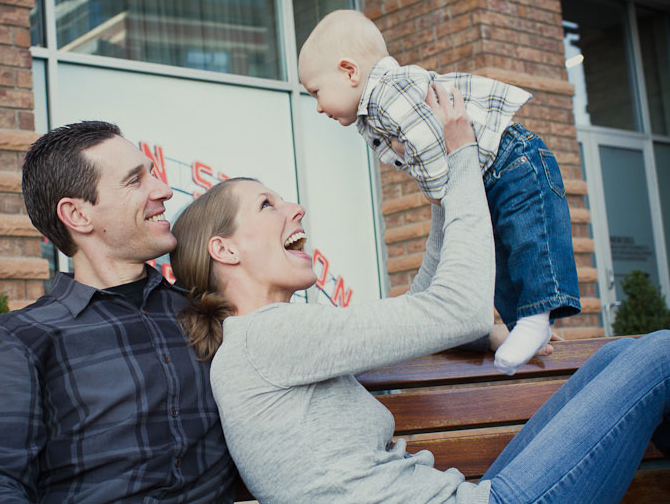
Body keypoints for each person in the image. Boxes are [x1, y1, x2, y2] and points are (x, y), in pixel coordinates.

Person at [169, 84, 670, 503]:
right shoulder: (267, 338)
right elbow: (458, 309)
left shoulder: (263, 343)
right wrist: (461, 156)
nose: (295, 209)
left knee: (620, 355)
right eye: (267, 205)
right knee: (661, 354)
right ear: (225, 250)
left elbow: (427, 305)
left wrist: (440, 186)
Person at [0, 121, 235, 502]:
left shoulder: (203, 311)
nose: (164, 190)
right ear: (78, 215)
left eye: (152, 174)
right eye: (136, 181)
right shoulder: (23, 337)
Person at [297, 9, 580, 375]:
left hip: (511, 158)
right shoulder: (370, 113)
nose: (318, 107)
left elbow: (425, 141)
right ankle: (522, 325)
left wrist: (437, 191)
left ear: (350, 72)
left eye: (317, 92)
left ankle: (537, 315)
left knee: (531, 238)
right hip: (487, 174)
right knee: (496, 251)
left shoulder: (387, 91)